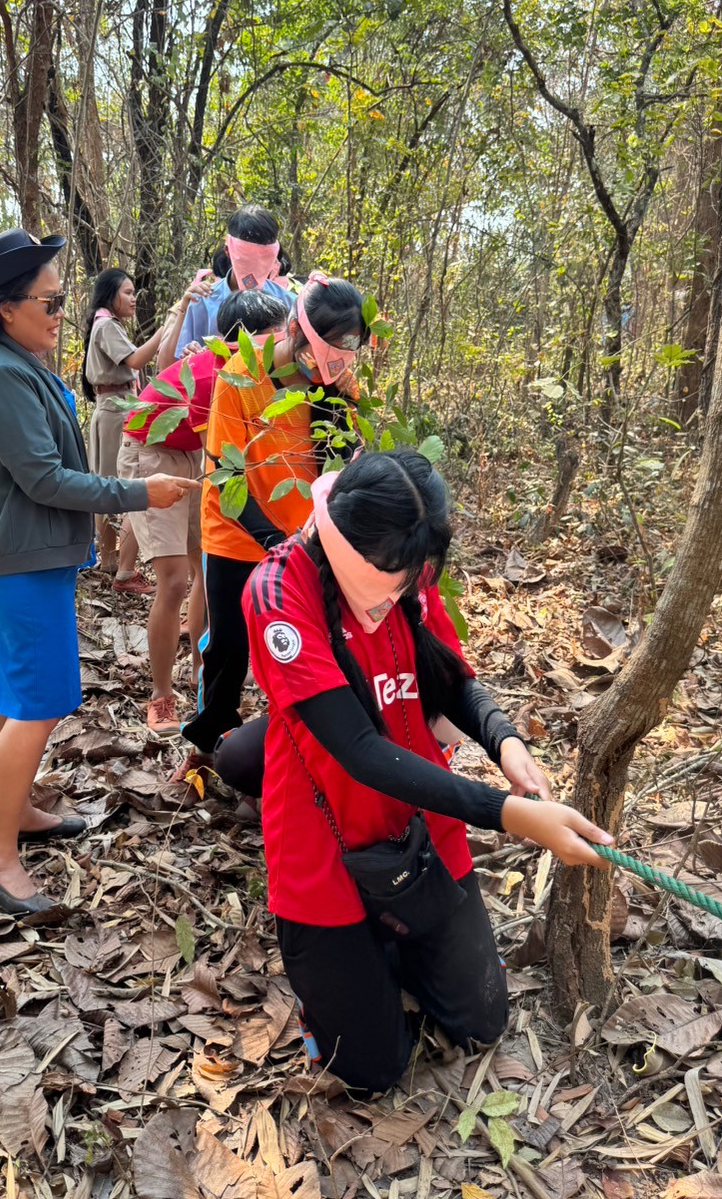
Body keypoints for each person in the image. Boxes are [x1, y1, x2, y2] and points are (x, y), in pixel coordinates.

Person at [239, 448, 613, 1095]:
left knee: (480, 1021)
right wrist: (507, 814)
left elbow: (449, 676)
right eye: (396, 575)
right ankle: (351, 967)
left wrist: (503, 740)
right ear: (353, 550)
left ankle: (389, 949)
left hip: (422, 828)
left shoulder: (405, 571)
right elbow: (358, 749)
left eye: (417, 574)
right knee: (370, 1070)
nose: (408, 587)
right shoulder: (278, 592)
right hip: (325, 843)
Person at [0, 229, 199, 916]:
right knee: (41, 699)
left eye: (62, 301)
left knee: (9, 691)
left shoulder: (9, 360)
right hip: (19, 557)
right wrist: (141, 493)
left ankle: (17, 809)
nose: (61, 315)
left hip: (17, 551)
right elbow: (46, 479)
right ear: (6, 307)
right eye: (49, 303)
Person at [179, 271, 368, 779]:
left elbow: (341, 464)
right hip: (237, 533)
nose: (323, 370)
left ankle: (288, 750)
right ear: (296, 331)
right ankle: (206, 744)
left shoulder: (337, 385)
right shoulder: (240, 376)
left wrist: (346, 415)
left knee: (298, 644)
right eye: (320, 355)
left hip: (303, 535)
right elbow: (227, 474)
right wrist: (278, 544)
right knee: (228, 648)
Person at [119, 289, 289, 735]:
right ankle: (161, 696)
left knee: (205, 570)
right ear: (246, 341)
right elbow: (226, 460)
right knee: (174, 578)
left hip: (193, 454)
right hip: (150, 450)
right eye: (275, 337)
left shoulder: (257, 375)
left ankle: (204, 674)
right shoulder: (224, 375)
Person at [81, 268, 206, 592]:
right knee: (119, 487)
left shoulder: (109, 324)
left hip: (119, 405)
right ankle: (115, 566)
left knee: (120, 486)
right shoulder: (106, 325)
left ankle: (116, 564)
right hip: (116, 410)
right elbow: (136, 361)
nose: (133, 299)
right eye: (127, 292)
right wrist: (168, 324)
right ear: (109, 294)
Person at [173, 206, 296, 359]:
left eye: (264, 257)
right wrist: (192, 355)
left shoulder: (290, 304)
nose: (256, 264)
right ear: (228, 251)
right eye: (248, 257)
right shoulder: (203, 301)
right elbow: (178, 363)